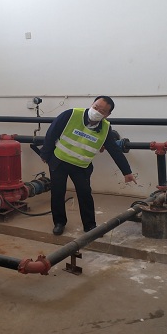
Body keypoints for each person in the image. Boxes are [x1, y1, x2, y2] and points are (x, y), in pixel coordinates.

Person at [40, 96, 137, 235]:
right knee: (57, 193)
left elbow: (114, 150)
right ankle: (59, 223)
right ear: (92, 104)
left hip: (81, 166)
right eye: (96, 107)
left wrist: (126, 172)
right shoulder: (71, 114)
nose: (96, 111)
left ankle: (90, 225)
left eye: (102, 111)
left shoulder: (105, 129)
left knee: (85, 194)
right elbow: (52, 132)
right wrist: (45, 154)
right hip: (60, 161)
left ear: (107, 115)